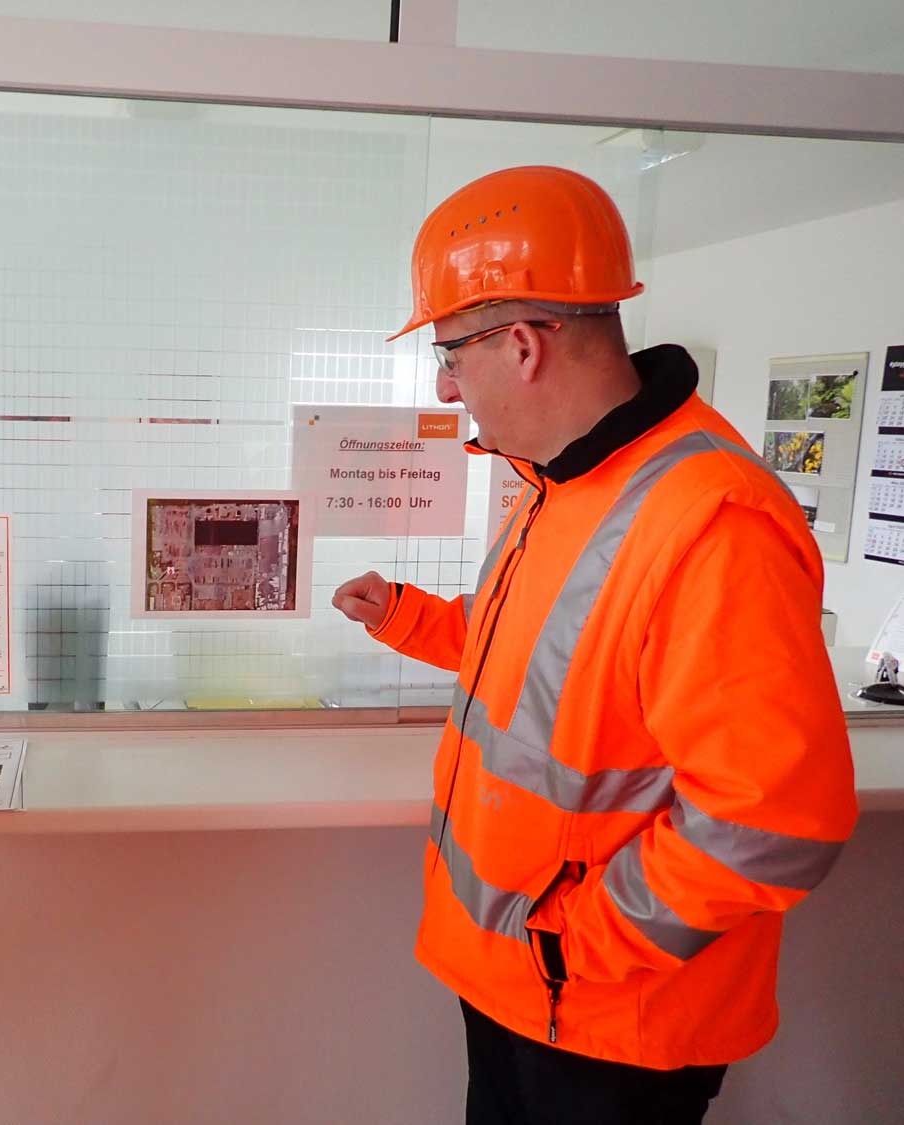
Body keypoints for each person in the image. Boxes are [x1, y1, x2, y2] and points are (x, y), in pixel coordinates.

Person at [333, 165, 857, 1124]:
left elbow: (775, 820)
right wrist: (404, 616)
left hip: (603, 1020)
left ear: (523, 344)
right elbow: (547, 671)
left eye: (450, 353)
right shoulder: (565, 486)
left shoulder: (710, 522)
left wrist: (577, 946)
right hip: (524, 987)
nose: (447, 385)